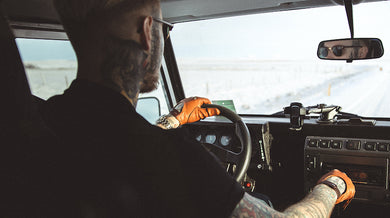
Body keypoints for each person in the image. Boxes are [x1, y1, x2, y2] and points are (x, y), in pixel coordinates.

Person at [40, 0, 355, 217]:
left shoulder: (42, 119)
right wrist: (330, 187)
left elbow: (114, 143)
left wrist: (173, 120)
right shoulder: (169, 156)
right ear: (146, 33)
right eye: (163, 27)